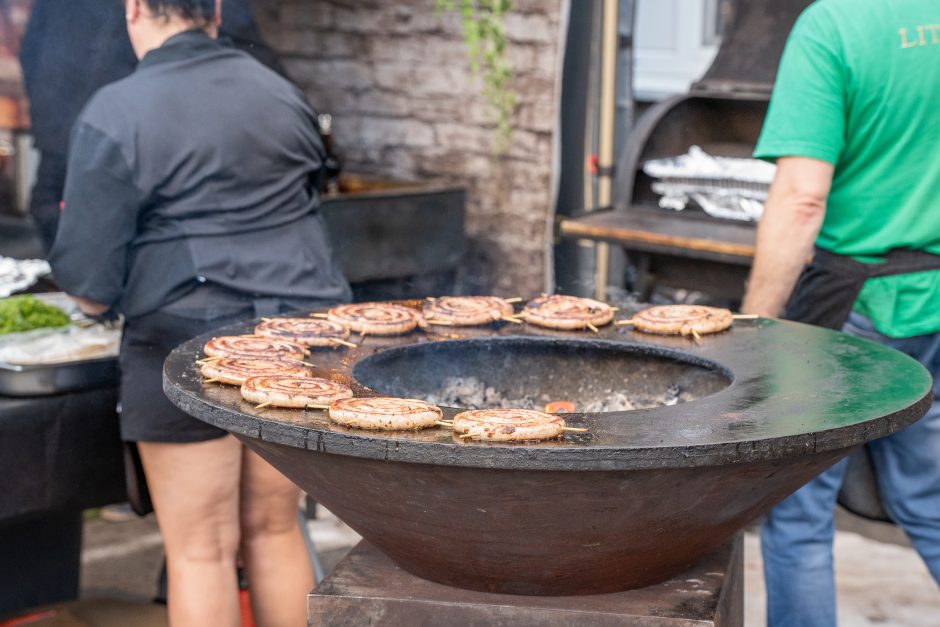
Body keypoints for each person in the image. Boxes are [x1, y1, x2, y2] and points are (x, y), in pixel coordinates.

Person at [47, 1, 351, 625]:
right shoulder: (283, 94)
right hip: (306, 334)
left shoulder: (116, 111)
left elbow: (88, 284)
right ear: (214, 10)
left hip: (188, 342)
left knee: (201, 552)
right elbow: (311, 195)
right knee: (274, 527)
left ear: (134, 9)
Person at [741, 1, 940, 625]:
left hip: (856, 307)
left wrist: (754, 335)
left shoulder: (833, 26)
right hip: (933, 297)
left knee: (797, 504)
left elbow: (802, 198)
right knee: (930, 498)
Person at [18, 0, 286, 253]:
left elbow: (29, 51)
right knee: (68, 231)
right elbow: (30, 50)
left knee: (92, 247)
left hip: (106, 141)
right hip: (83, 141)